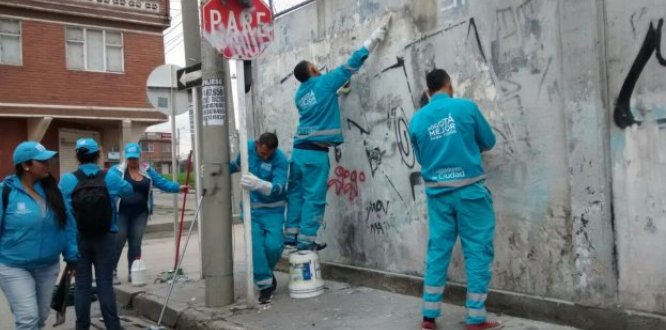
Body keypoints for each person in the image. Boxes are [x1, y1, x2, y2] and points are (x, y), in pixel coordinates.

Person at [285, 19, 390, 251]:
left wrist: (337, 92)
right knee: (314, 197)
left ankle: (290, 237)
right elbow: (351, 65)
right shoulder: (324, 83)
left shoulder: (301, 94)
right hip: (315, 154)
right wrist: (374, 38)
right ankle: (306, 242)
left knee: (296, 195)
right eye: (316, 65)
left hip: (299, 151)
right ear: (313, 70)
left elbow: (319, 104)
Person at [409, 69, 501, 330]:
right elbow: (489, 141)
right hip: (470, 191)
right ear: (449, 85)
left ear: (428, 91)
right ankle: (475, 317)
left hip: (438, 195)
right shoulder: (466, 108)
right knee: (477, 251)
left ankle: (429, 315)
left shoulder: (417, 120)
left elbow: (421, 156)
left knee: (437, 251)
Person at [0, 141, 78, 330]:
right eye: (41, 161)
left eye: (48, 160)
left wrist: (72, 255)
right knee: (28, 318)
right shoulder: (6, 191)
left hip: (47, 266)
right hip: (13, 267)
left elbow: (67, 225)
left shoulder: (54, 191)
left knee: (41, 316)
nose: (47, 164)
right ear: (26, 165)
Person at [59, 138, 133, 330]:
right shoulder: (109, 177)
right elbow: (128, 190)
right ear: (98, 155)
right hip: (106, 236)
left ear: (77, 155)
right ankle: (113, 326)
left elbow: (64, 212)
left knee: (82, 285)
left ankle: (81, 326)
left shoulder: (68, 179)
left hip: (79, 238)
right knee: (105, 284)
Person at [111, 142, 188, 285]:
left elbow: (162, 183)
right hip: (121, 213)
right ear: (125, 157)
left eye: (135, 157)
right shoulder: (117, 171)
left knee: (135, 244)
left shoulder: (148, 170)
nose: (133, 161)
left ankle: (133, 272)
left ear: (140, 156)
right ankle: (112, 272)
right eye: (130, 158)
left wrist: (178, 188)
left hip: (140, 214)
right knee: (118, 242)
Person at [231, 132, 288, 304]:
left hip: (273, 211)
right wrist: (216, 169)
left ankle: (266, 273)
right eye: (262, 153)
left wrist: (260, 185)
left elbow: (279, 187)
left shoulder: (280, 160)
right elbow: (236, 165)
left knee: (274, 246)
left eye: (269, 154)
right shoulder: (247, 147)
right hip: (252, 210)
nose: (265, 156)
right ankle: (265, 286)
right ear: (257, 144)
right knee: (255, 247)